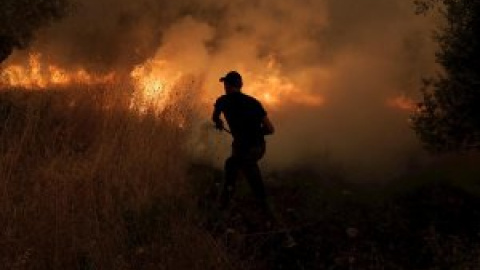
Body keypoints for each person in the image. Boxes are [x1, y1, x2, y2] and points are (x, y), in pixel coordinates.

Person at [212, 71, 275, 214]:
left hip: (244, 148)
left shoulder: (222, 101)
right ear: (240, 85)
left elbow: (215, 118)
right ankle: (230, 201)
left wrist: (219, 123)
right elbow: (270, 129)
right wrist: (256, 132)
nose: (224, 87)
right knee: (236, 164)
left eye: (225, 84)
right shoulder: (254, 103)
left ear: (227, 85)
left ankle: (263, 207)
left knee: (236, 164)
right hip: (258, 147)